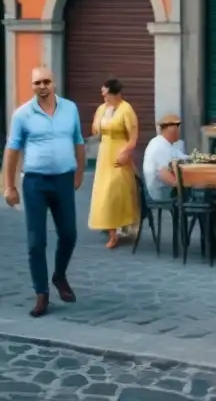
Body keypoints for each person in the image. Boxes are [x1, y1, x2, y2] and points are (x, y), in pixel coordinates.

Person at [2, 66, 85, 317]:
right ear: (32, 86)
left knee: (69, 234)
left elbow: (79, 141)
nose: (42, 86)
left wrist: (79, 173)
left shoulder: (70, 108)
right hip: (35, 183)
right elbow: (12, 150)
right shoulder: (22, 115)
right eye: (37, 82)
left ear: (54, 83)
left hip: (63, 180)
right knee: (36, 242)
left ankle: (59, 275)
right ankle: (42, 294)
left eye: (46, 81)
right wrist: (9, 185)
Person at [88, 78, 140, 249]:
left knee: (118, 192)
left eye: (106, 94)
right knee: (104, 192)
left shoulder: (126, 109)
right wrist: (96, 123)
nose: (103, 97)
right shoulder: (102, 109)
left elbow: (133, 138)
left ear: (115, 94)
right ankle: (111, 232)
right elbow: (95, 130)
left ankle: (122, 225)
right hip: (105, 153)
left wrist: (126, 153)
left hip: (120, 153)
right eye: (102, 94)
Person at [142, 114, 186, 202]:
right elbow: (164, 175)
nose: (179, 131)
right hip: (161, 191)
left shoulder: (167, 144)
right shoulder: (159, 145)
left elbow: (184, 158)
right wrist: (184, 186)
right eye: (177, 128)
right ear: (170, 130)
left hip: (167, 188)